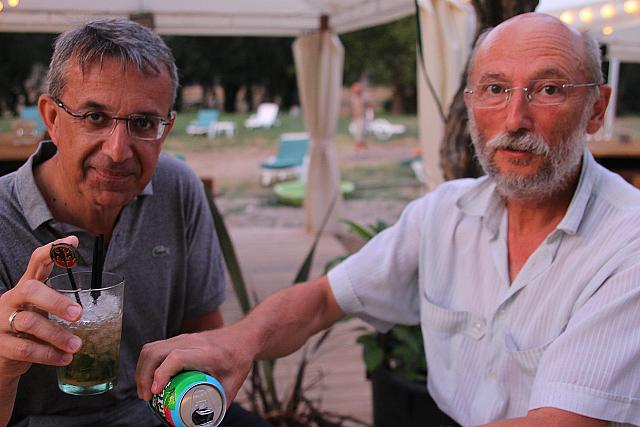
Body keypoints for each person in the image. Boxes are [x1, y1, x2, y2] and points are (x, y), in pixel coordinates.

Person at [136, 12, 640, 426]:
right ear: (469, 105)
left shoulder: (627, 241)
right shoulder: (444, 214)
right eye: (494, 89)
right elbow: (323, 300)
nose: (514, 120)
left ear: (596, 109)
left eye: (548, 90)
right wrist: (236, 341)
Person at [0, 19, 269, 427]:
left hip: (154, 413)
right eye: (94, 116)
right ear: (52, 118)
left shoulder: (178, 189)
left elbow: (204, 336)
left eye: (143, 123)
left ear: (166, 129)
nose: (118, 151)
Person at [349, 81, 372, 152]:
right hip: (356, 117)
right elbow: (352, 108)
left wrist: (370, 115)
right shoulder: (353, 97)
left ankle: (359, 147)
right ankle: (361, 147)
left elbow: (370, 105)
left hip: (362, 117)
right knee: (357, 132)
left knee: (361, 132)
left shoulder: (364, 96)